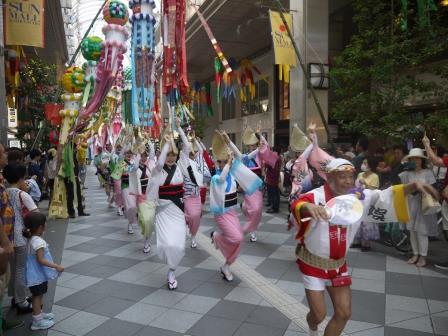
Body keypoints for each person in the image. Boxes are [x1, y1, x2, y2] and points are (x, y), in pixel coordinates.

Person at [290, 158, 437, 336]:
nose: (348, 181)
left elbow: (383, 196)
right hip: (312, 264)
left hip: (337, 265)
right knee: (318, 315)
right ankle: (312, 328)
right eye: (342, 176)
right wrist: (308, 207)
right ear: (329, 177)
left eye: (350, 177)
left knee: (344, 314)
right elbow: (298, 204)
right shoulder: (316, 196)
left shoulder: (357, 196)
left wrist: (413, 185)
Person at [209, 131, 263, 281]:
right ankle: (217, 237)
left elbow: (241, 157)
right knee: (236, 237)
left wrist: (229, 142)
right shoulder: (215, 178)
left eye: (225, 161)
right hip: (221, 215)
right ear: (217, 163)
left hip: (231, 212)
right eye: (220, 161)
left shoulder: (232, 173)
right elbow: (221, 178)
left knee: (239, 240)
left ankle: (226, 266)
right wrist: (227, 164)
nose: (224, 163)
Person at [148, 119, 191, 290]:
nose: (171, 158)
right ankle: (171, 268)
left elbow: (187, 147)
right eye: (169, 155)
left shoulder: (181, 166)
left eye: (174, 154)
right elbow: (159, 163)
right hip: (163, 211)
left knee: (179, 245)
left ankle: (172, 271)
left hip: (178, 211)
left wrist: (179, 129)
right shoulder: (157, 171)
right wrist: (166, 144)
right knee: (167, 245)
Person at [3, 163, 38, 314]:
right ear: (20, 178)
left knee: (13, 269)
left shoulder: (4, 191)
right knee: (20, 270)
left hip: (8, 237)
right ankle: (21, 302)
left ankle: (15, 297)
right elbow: (36, 214)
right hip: (21, 237)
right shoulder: (22, 194)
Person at [23, 212, 63, 330]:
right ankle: (37, 321)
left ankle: (39, 314)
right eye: (45, 223)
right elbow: (41, 260)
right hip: (37, 275)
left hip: (35, 273)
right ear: (41, 227)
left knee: (38, 295)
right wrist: (56, 266)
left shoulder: (32, 238)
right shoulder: (38, 242)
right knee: (37, 296)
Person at [399, 148, 438, 267]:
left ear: (422, 160)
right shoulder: (406, 174)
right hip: (411, 204)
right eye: (413, 159)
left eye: (417, 158)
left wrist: (424, 187)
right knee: (412, 231)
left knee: (422, 232)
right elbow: (402, 190)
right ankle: (415, 254)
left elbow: (435, 193)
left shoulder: (428, 173)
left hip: (424, 205)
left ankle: (422, 256)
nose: (415, 161)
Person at [0, 144, 23, 331]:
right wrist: (5, 242)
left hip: (6, 238)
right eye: (2, 154)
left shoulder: (2, 182)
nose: (5, 156)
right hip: (3, 242)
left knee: (4, 279)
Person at [183, 132, 209, 249]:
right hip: (187, 196)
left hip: (197, 196)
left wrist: (195, 140)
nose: (193, 155)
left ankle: (193, 236)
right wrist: (179, 128)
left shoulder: (198, 163)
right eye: (190, 153)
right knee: (192, 215)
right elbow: (185, 147)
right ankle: (187, 221)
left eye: (194, 153)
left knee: (196, 217)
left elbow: (202, 152)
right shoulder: (184, 164)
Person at [354, 157, 380, 251]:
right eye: (363, 163)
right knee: (357, 220)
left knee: (367, 221)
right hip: (359, 199)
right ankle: (357, 241)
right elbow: (356, 185)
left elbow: (374, 189)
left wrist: (365, 183)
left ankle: (366, 244)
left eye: (365, 163)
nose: (363, 165)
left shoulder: (375, 176)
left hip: (368, 201)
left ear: (370, 166)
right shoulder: (360, 174)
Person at [265, 147, 282, 213]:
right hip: (275, 177)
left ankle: (275, 208)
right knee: (275, 193)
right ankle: (274, 206)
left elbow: (266, 164)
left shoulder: (274, 158)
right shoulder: (279, 158)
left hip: (271, 178)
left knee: (274, 193)